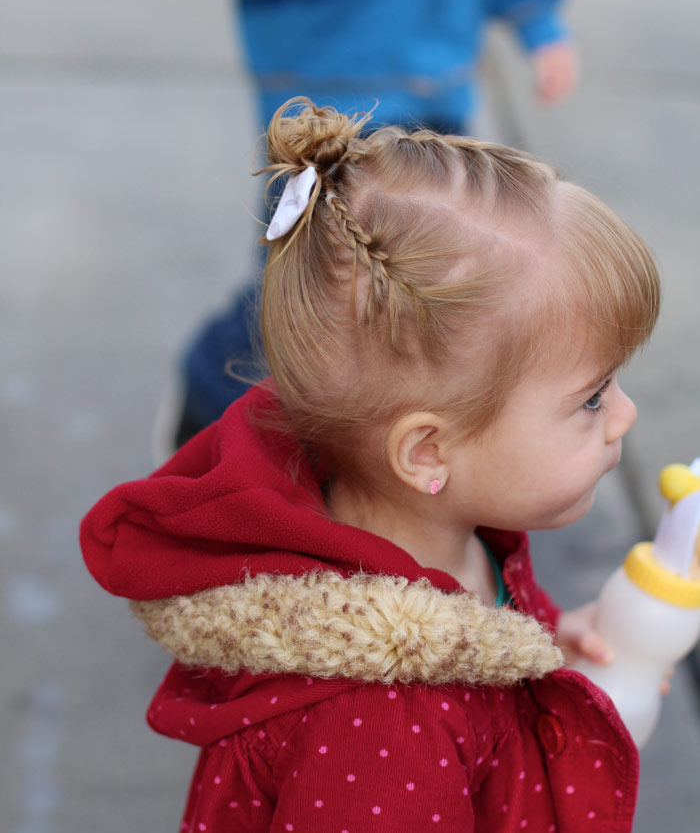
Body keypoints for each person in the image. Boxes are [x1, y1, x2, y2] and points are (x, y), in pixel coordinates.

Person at [82, 100, 659, 832]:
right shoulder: (376, 728)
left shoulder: (451, 529)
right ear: (427, 452)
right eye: (591, 399)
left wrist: (540, 668)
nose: (625, 416)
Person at [167, 0, 579, 449]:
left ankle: (354, 440)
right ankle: (210, 407)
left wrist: (540, 18)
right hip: (322, 97)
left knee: (416, 281)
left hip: (439, 82)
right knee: (304, 292)